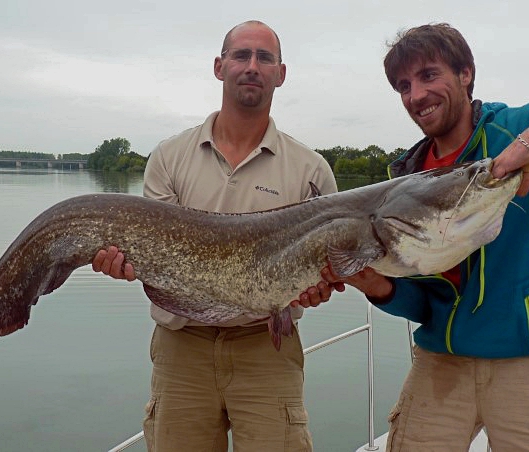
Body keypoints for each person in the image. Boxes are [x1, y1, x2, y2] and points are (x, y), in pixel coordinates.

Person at [92, 20, 337, 451]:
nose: (252, 66)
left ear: (281, 73)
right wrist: (122, 261)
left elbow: (327, 268)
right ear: (219, 66)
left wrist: (321, 286)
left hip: (268, 350)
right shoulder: (169, 157)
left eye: (265, 57)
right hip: (181, 348)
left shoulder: (312, 171)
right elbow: (157, 261)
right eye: (241, 55)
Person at [318, 23, 529, 450]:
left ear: (466, 73)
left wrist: (525, 145)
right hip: (441, 360)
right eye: (403, 86)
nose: (416, 96)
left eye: (429, 75)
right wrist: (377, 286)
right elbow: (423, 303)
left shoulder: (511, 128)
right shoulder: (405, 182)